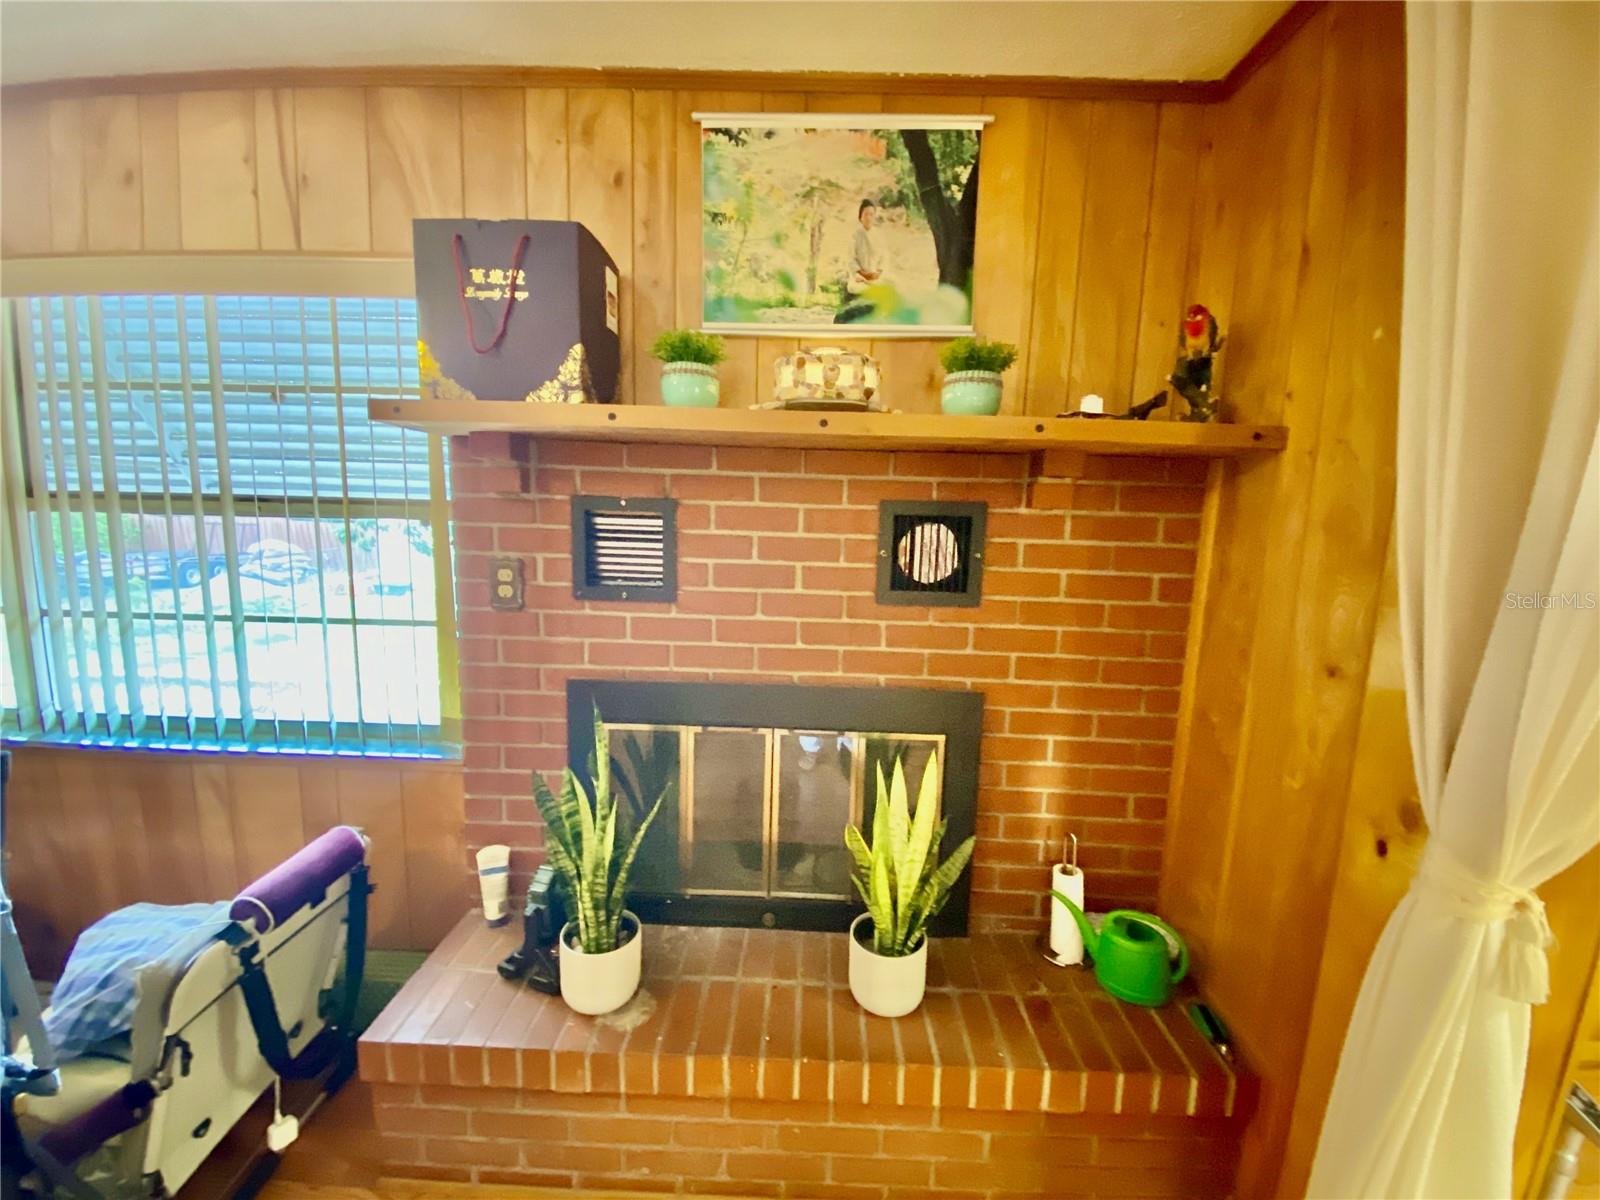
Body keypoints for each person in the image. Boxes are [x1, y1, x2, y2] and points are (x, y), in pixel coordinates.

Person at [837, 198, 887, 323]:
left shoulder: (879, 236)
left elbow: (884, 258)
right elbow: (851, 259)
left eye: (871, 214)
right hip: (859, 277)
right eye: (866, 214)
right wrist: (862, 273)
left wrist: (878, 272)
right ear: (860, 217)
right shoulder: (855, 235)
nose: (869, 218)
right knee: (860, 290)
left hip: (875, 277)